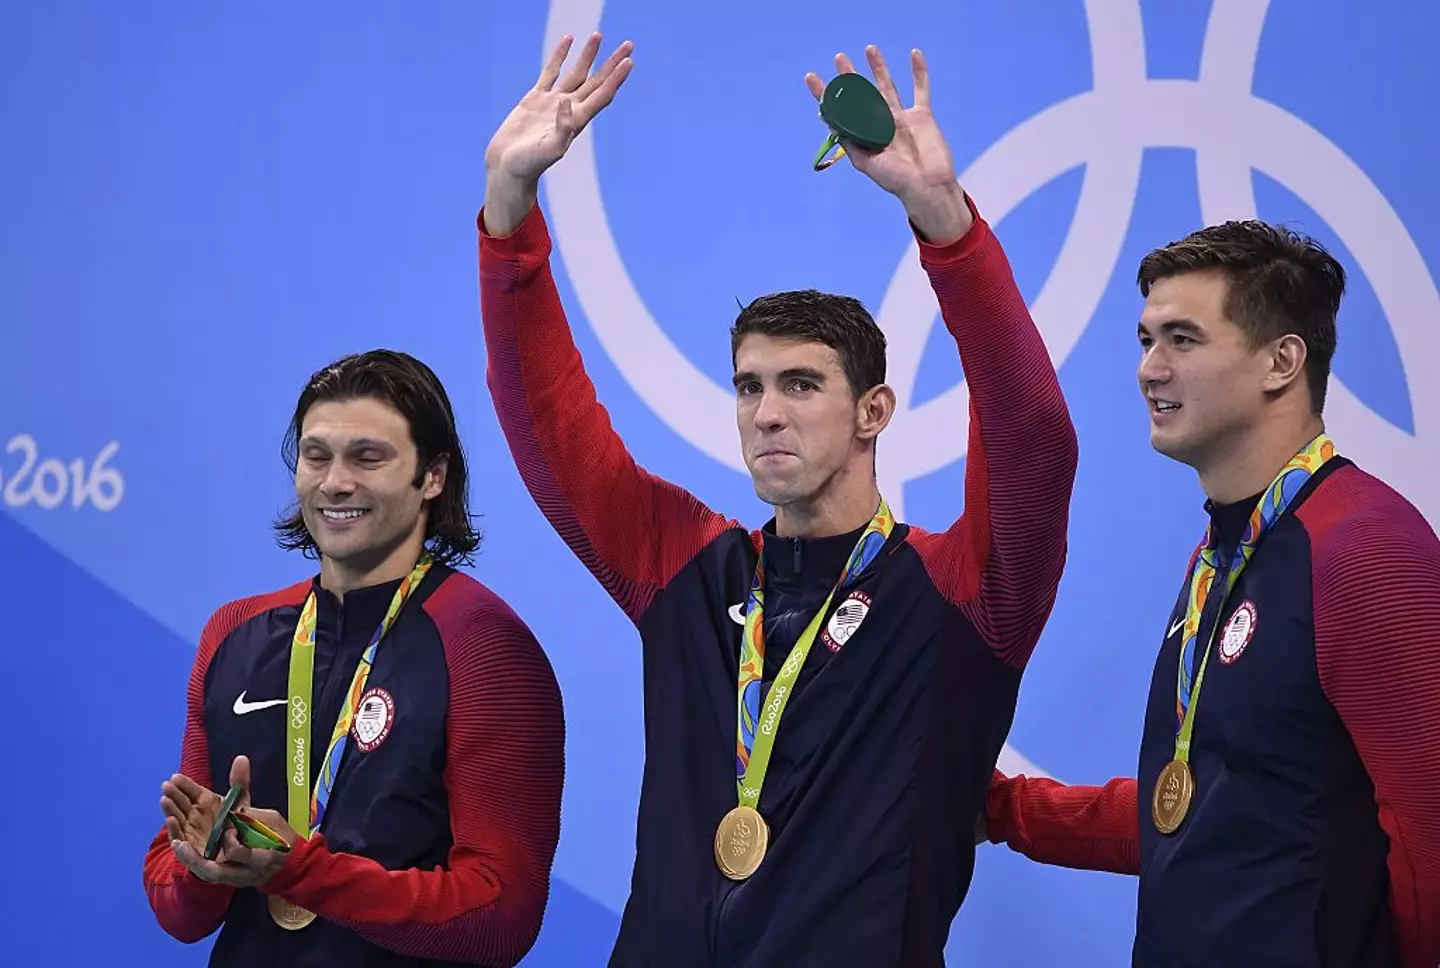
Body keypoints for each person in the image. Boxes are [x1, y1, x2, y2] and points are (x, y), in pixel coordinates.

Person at [478, 33, 1078, 966]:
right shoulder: (687, 566)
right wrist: (511, 212)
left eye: (801, 385)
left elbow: (1033, 436)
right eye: (749, 386)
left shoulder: (963, 592)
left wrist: (946, 228)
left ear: (874, 410)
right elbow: (551, 435)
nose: (765, 413)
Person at [983, 221, 1440, 966]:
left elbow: (1433, 845)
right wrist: (1005, 809)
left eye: (1183, 340)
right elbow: (1209, 814)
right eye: (1145, 340)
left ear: (1281, 361)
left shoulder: (1364, 552)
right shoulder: (1224, 555)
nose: (1149, 370)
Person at [141, 350, 566, 968]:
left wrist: (304, 873)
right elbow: (177, 913)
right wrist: (204, 866)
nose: (335, 481)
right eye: (316, 456)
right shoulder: (234, 633)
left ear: (433, 476)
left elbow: (500, 917)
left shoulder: (485, 647)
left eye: (369, 457)